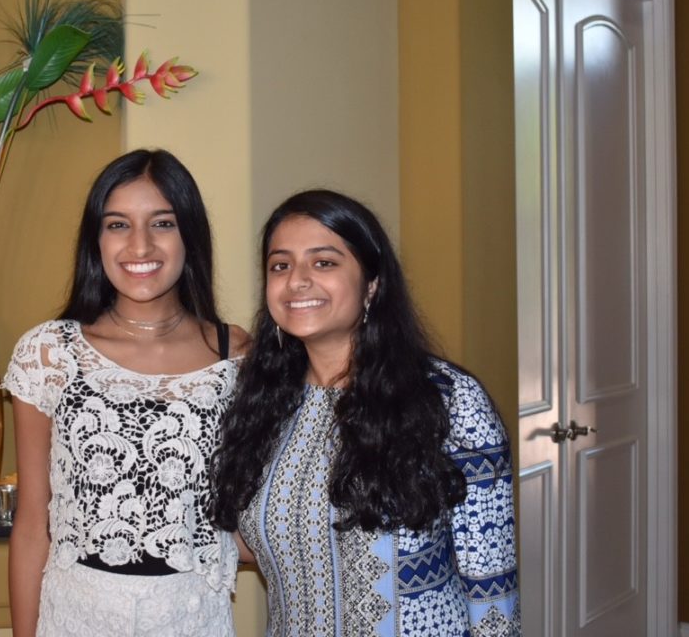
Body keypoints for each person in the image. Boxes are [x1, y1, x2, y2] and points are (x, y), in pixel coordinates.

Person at [210, 189, 521, 637]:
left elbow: (492, 588)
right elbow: (254, 538)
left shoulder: (447, 399)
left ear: (371, 283)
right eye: (280, 265)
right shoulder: (259, 403)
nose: (297, 280)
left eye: (324, 262)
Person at [3, 149, 249, 637]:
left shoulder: (237, 355)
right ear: (95, 240)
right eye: (118, 225)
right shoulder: (49, 352)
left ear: (189, 236)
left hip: (192, 617)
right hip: (77, 615)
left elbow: (253, 512)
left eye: (162, 224)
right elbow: (33, 524)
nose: (140, 246)